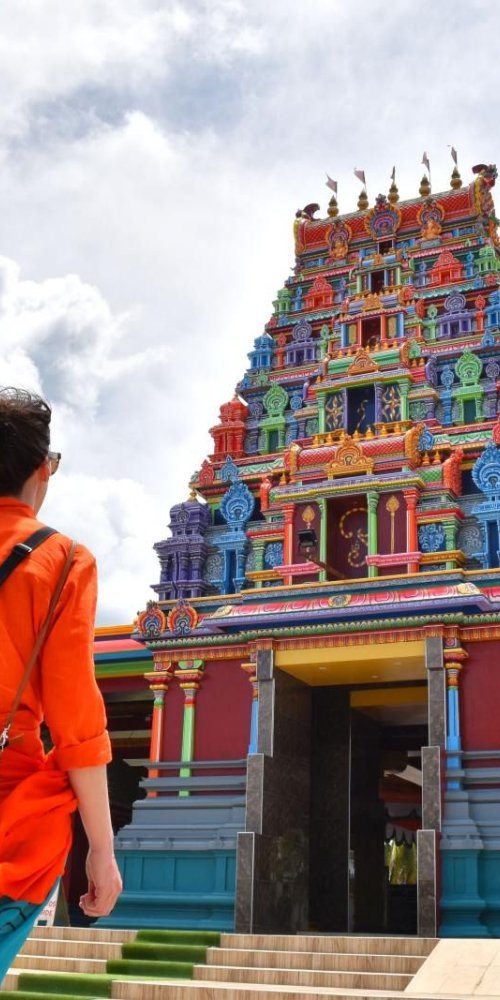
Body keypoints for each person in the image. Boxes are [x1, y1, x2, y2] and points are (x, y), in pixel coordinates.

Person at [0, 387, 122, 982]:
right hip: (9, 827)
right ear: (43, 469)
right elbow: (76, 721)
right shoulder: (63, 561)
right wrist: (101, 848)